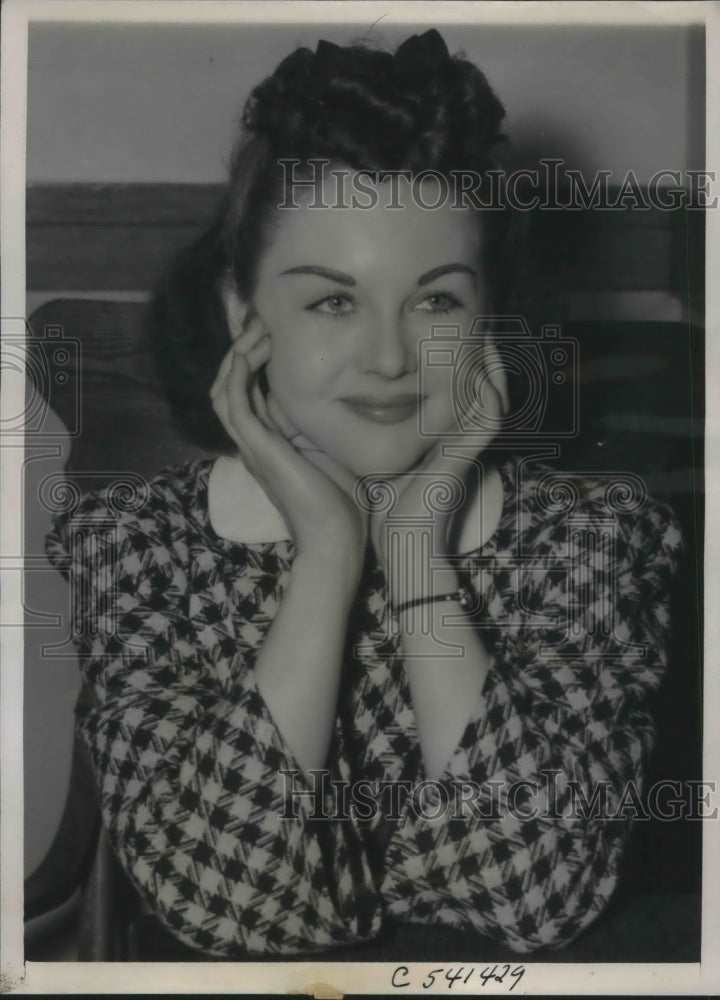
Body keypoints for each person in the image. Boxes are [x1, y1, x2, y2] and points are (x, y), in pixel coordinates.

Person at [45, 29, 683, 959]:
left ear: (490, 320)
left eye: (435, 301)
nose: (389, 359)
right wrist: (328, 559)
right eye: (332, 301)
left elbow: (531, 898)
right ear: (243, 315)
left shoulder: (591, 543)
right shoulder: (138, 546)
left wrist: (418, 555)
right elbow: (228, 908)